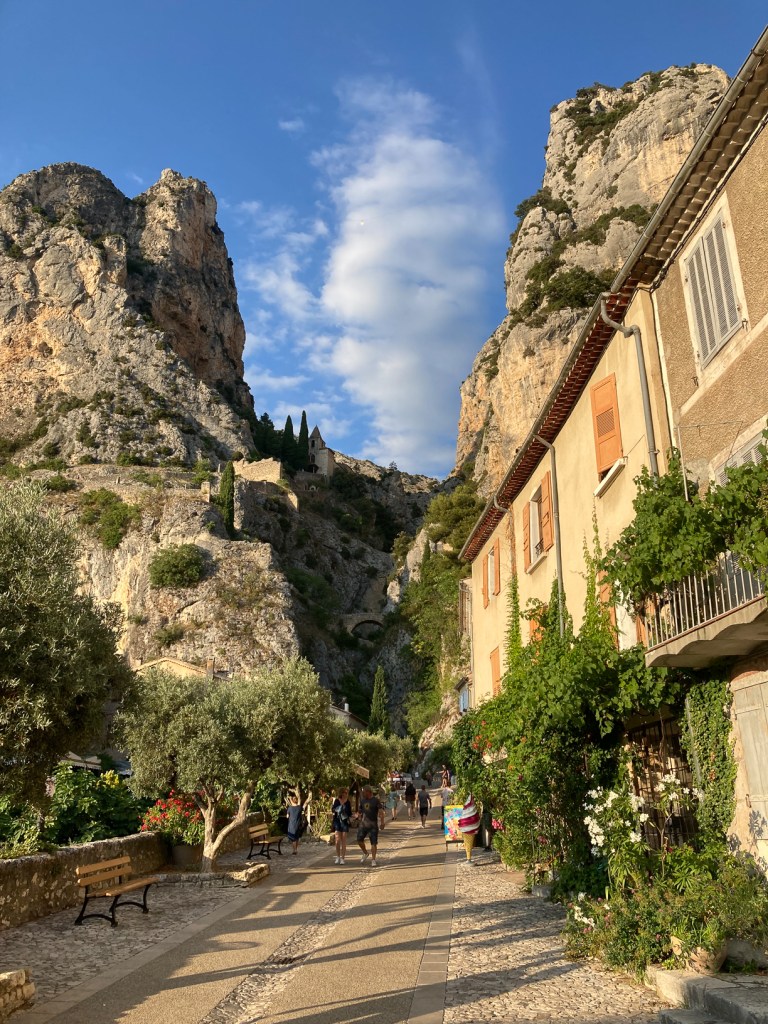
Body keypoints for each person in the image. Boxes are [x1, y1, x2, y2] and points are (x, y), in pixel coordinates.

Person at [357, 784, 385, 867]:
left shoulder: (375, 800)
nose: (363, 794)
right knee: (359, 840)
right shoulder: (362, 801)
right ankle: (365, 853)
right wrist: (357, 816)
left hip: (373, 825)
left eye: (364, 792)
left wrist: (382, 823)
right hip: (363, 825)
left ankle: (373, 860)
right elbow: (360, 811)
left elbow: (381, 812)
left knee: (373, 843)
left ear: (368, 792)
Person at [331, 786, 352, 864]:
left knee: (344, 840)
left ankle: (343, 858)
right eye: (344, 792)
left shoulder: (348, 802)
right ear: (341, 793)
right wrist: (339, 808)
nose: (346, 794)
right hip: (337, 821)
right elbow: (333, 809)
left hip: (345, 822)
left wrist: (348, 814)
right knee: (337, 840)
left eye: (346, 793)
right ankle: (338, 857)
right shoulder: (337, 800)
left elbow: (350, 813)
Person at [458, 792, 481, 863]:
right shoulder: (470, 808)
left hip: (468, 825)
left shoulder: (470, 809)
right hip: (467, 825)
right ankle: (468, 858)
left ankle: (469, 858)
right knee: (468, 844)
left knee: (468, 844)